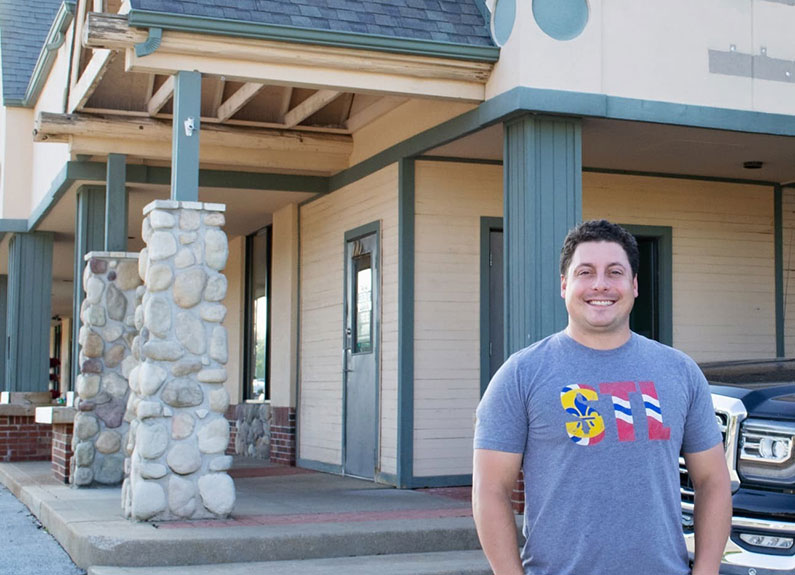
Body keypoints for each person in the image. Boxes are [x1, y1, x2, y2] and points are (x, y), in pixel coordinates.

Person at [472, 219, 731, 575]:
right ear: (564, 285)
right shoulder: (521, 375)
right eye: (585, 272)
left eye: (614, 272)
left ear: (634, 285)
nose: (600, 285)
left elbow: (712, 481)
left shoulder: (680, 372)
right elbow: (491, 490)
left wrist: (706, 570)